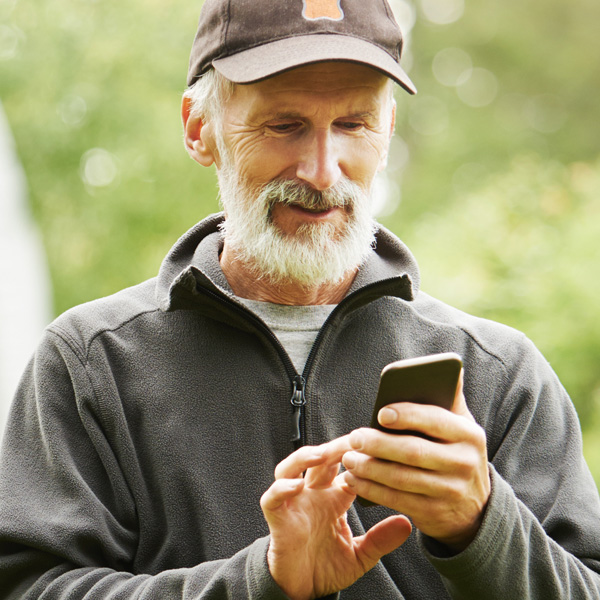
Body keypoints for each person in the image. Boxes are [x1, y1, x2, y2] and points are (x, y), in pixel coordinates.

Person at [1, 0, 600, 598]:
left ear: (388, 131)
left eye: (353, 125)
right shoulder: (90, 365)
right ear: (198, 127)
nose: (321, 170)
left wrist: (482, 525)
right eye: (284, 125)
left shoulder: (500, 375)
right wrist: (258, 583)